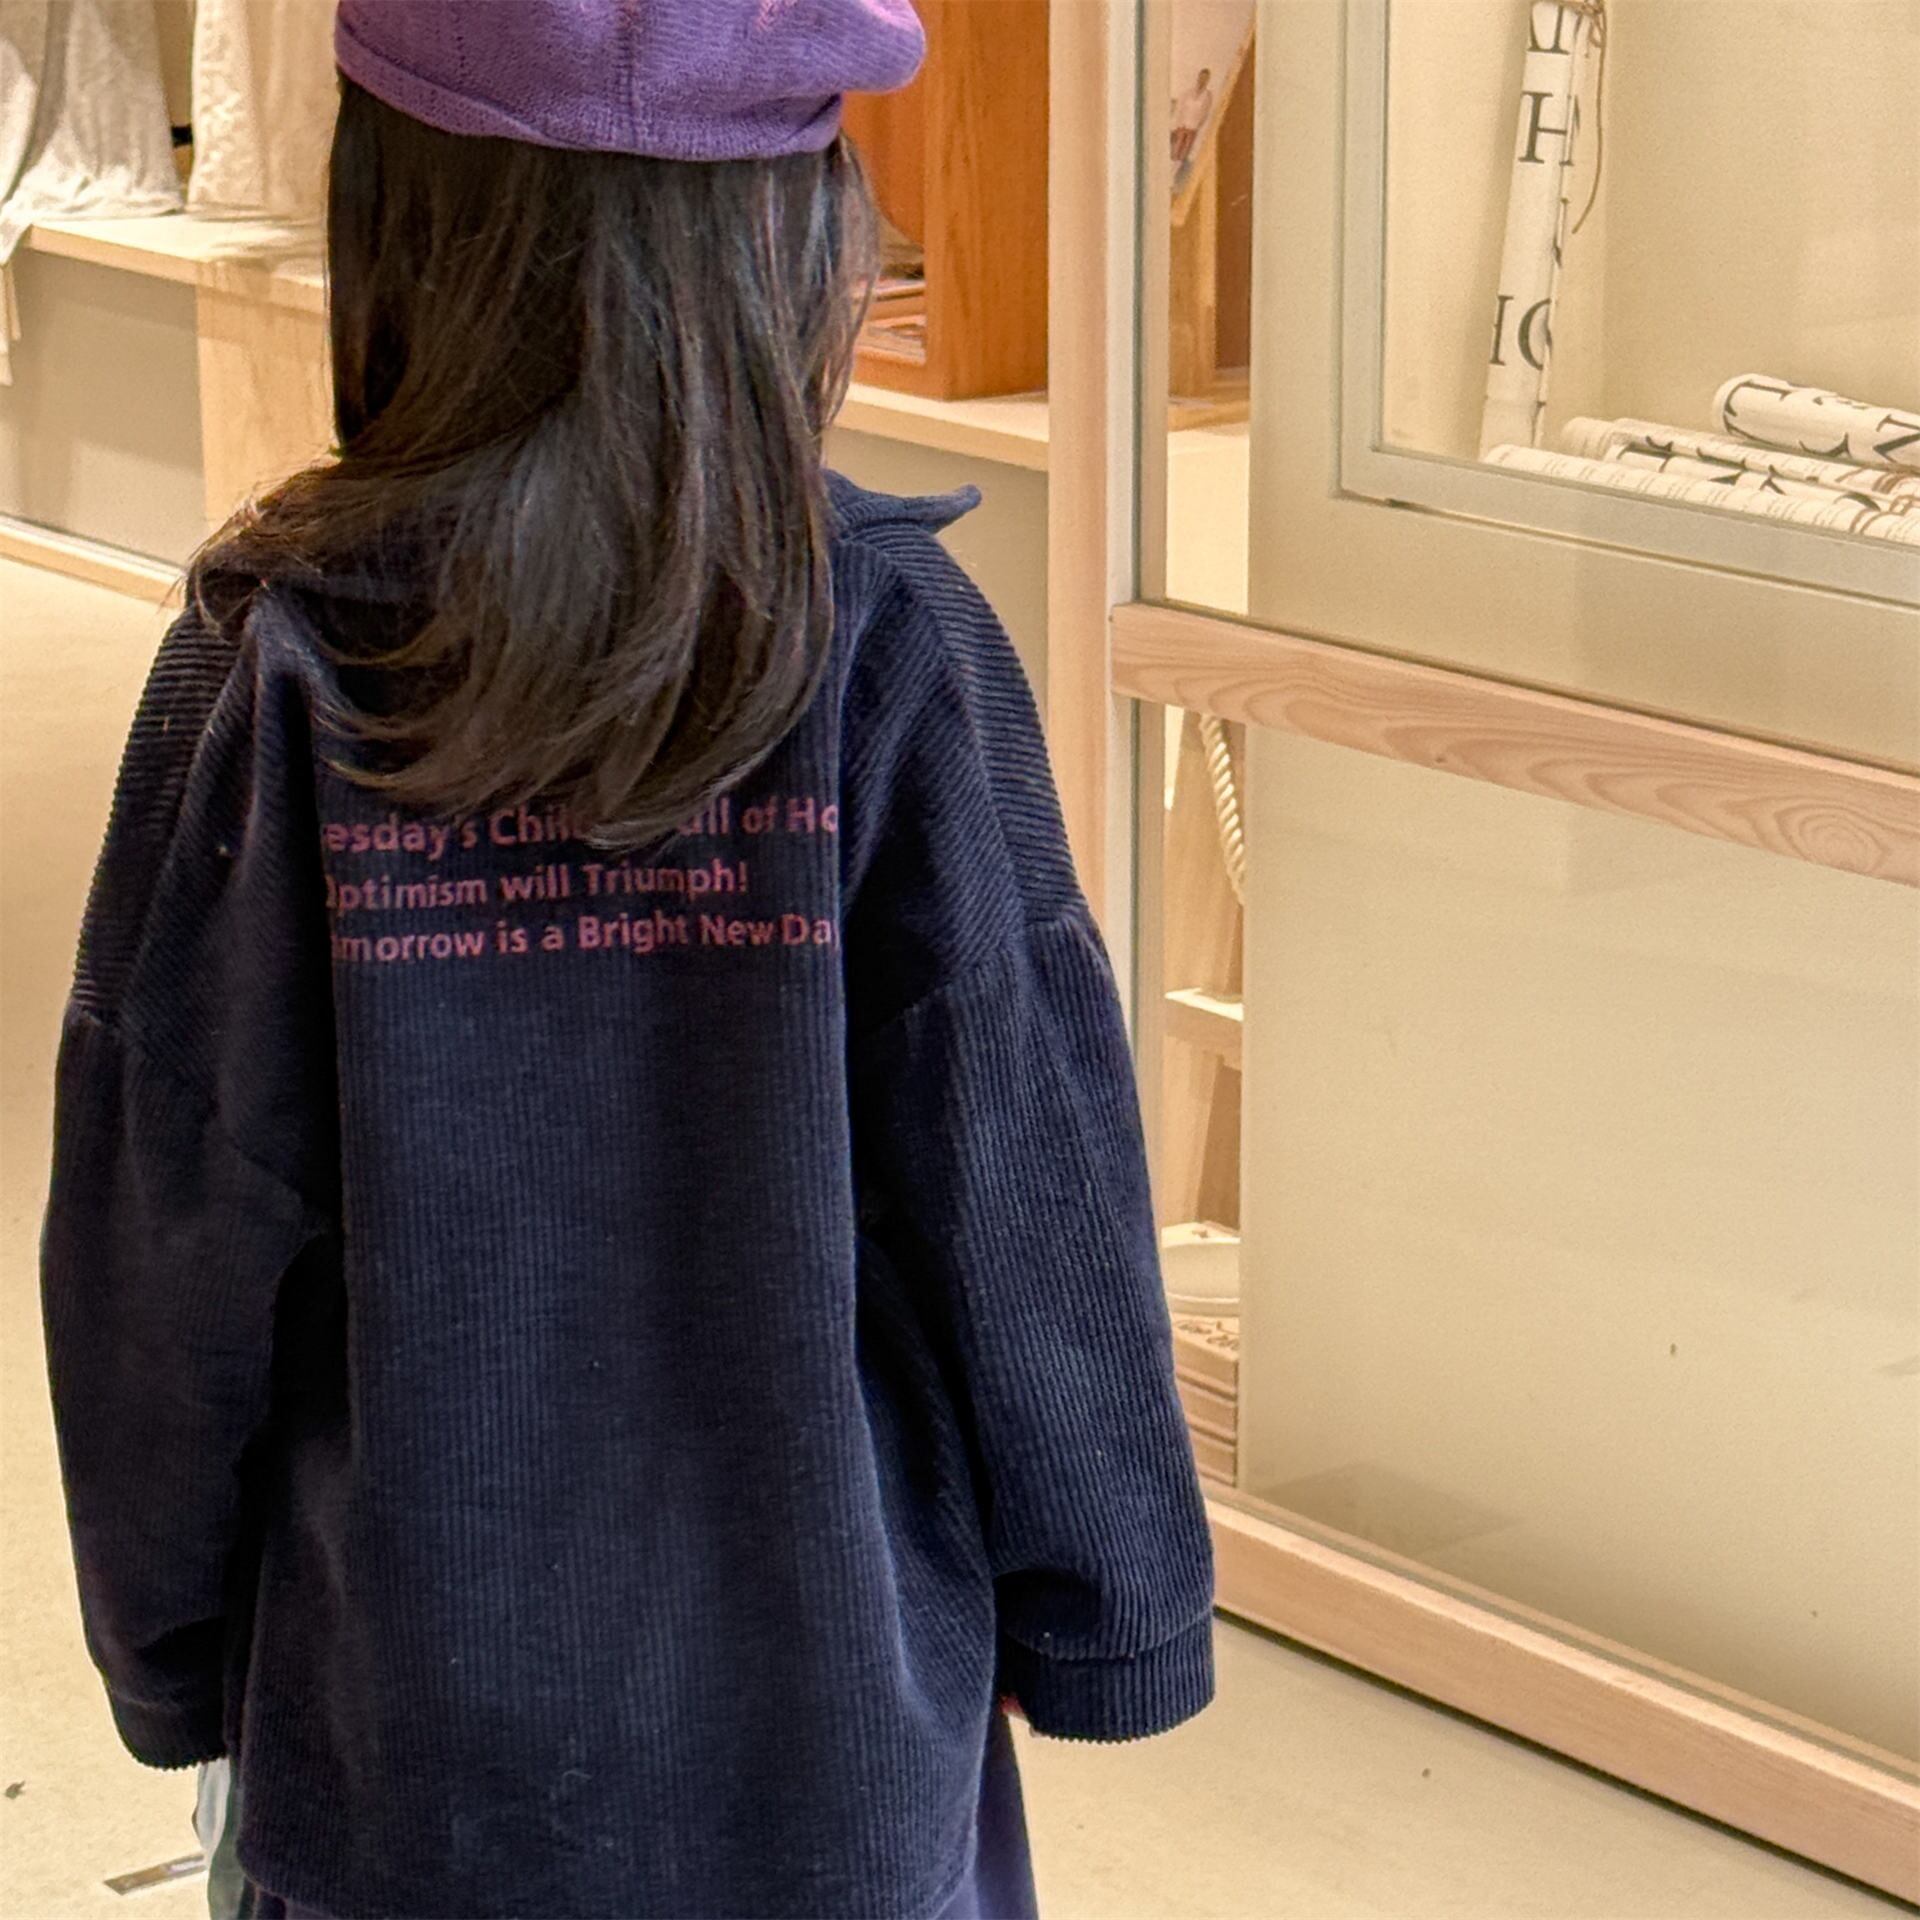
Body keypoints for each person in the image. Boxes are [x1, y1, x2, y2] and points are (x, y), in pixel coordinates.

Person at [39, 4, 1216, 1917]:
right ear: (800, 241)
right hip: (838, 1754)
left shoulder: (279, 660)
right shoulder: (890, 646)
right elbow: (1022, 1167)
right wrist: (1104, 1605)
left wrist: (167, 1641)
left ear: (392, 217)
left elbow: (166, 1211)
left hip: (401, 1761)